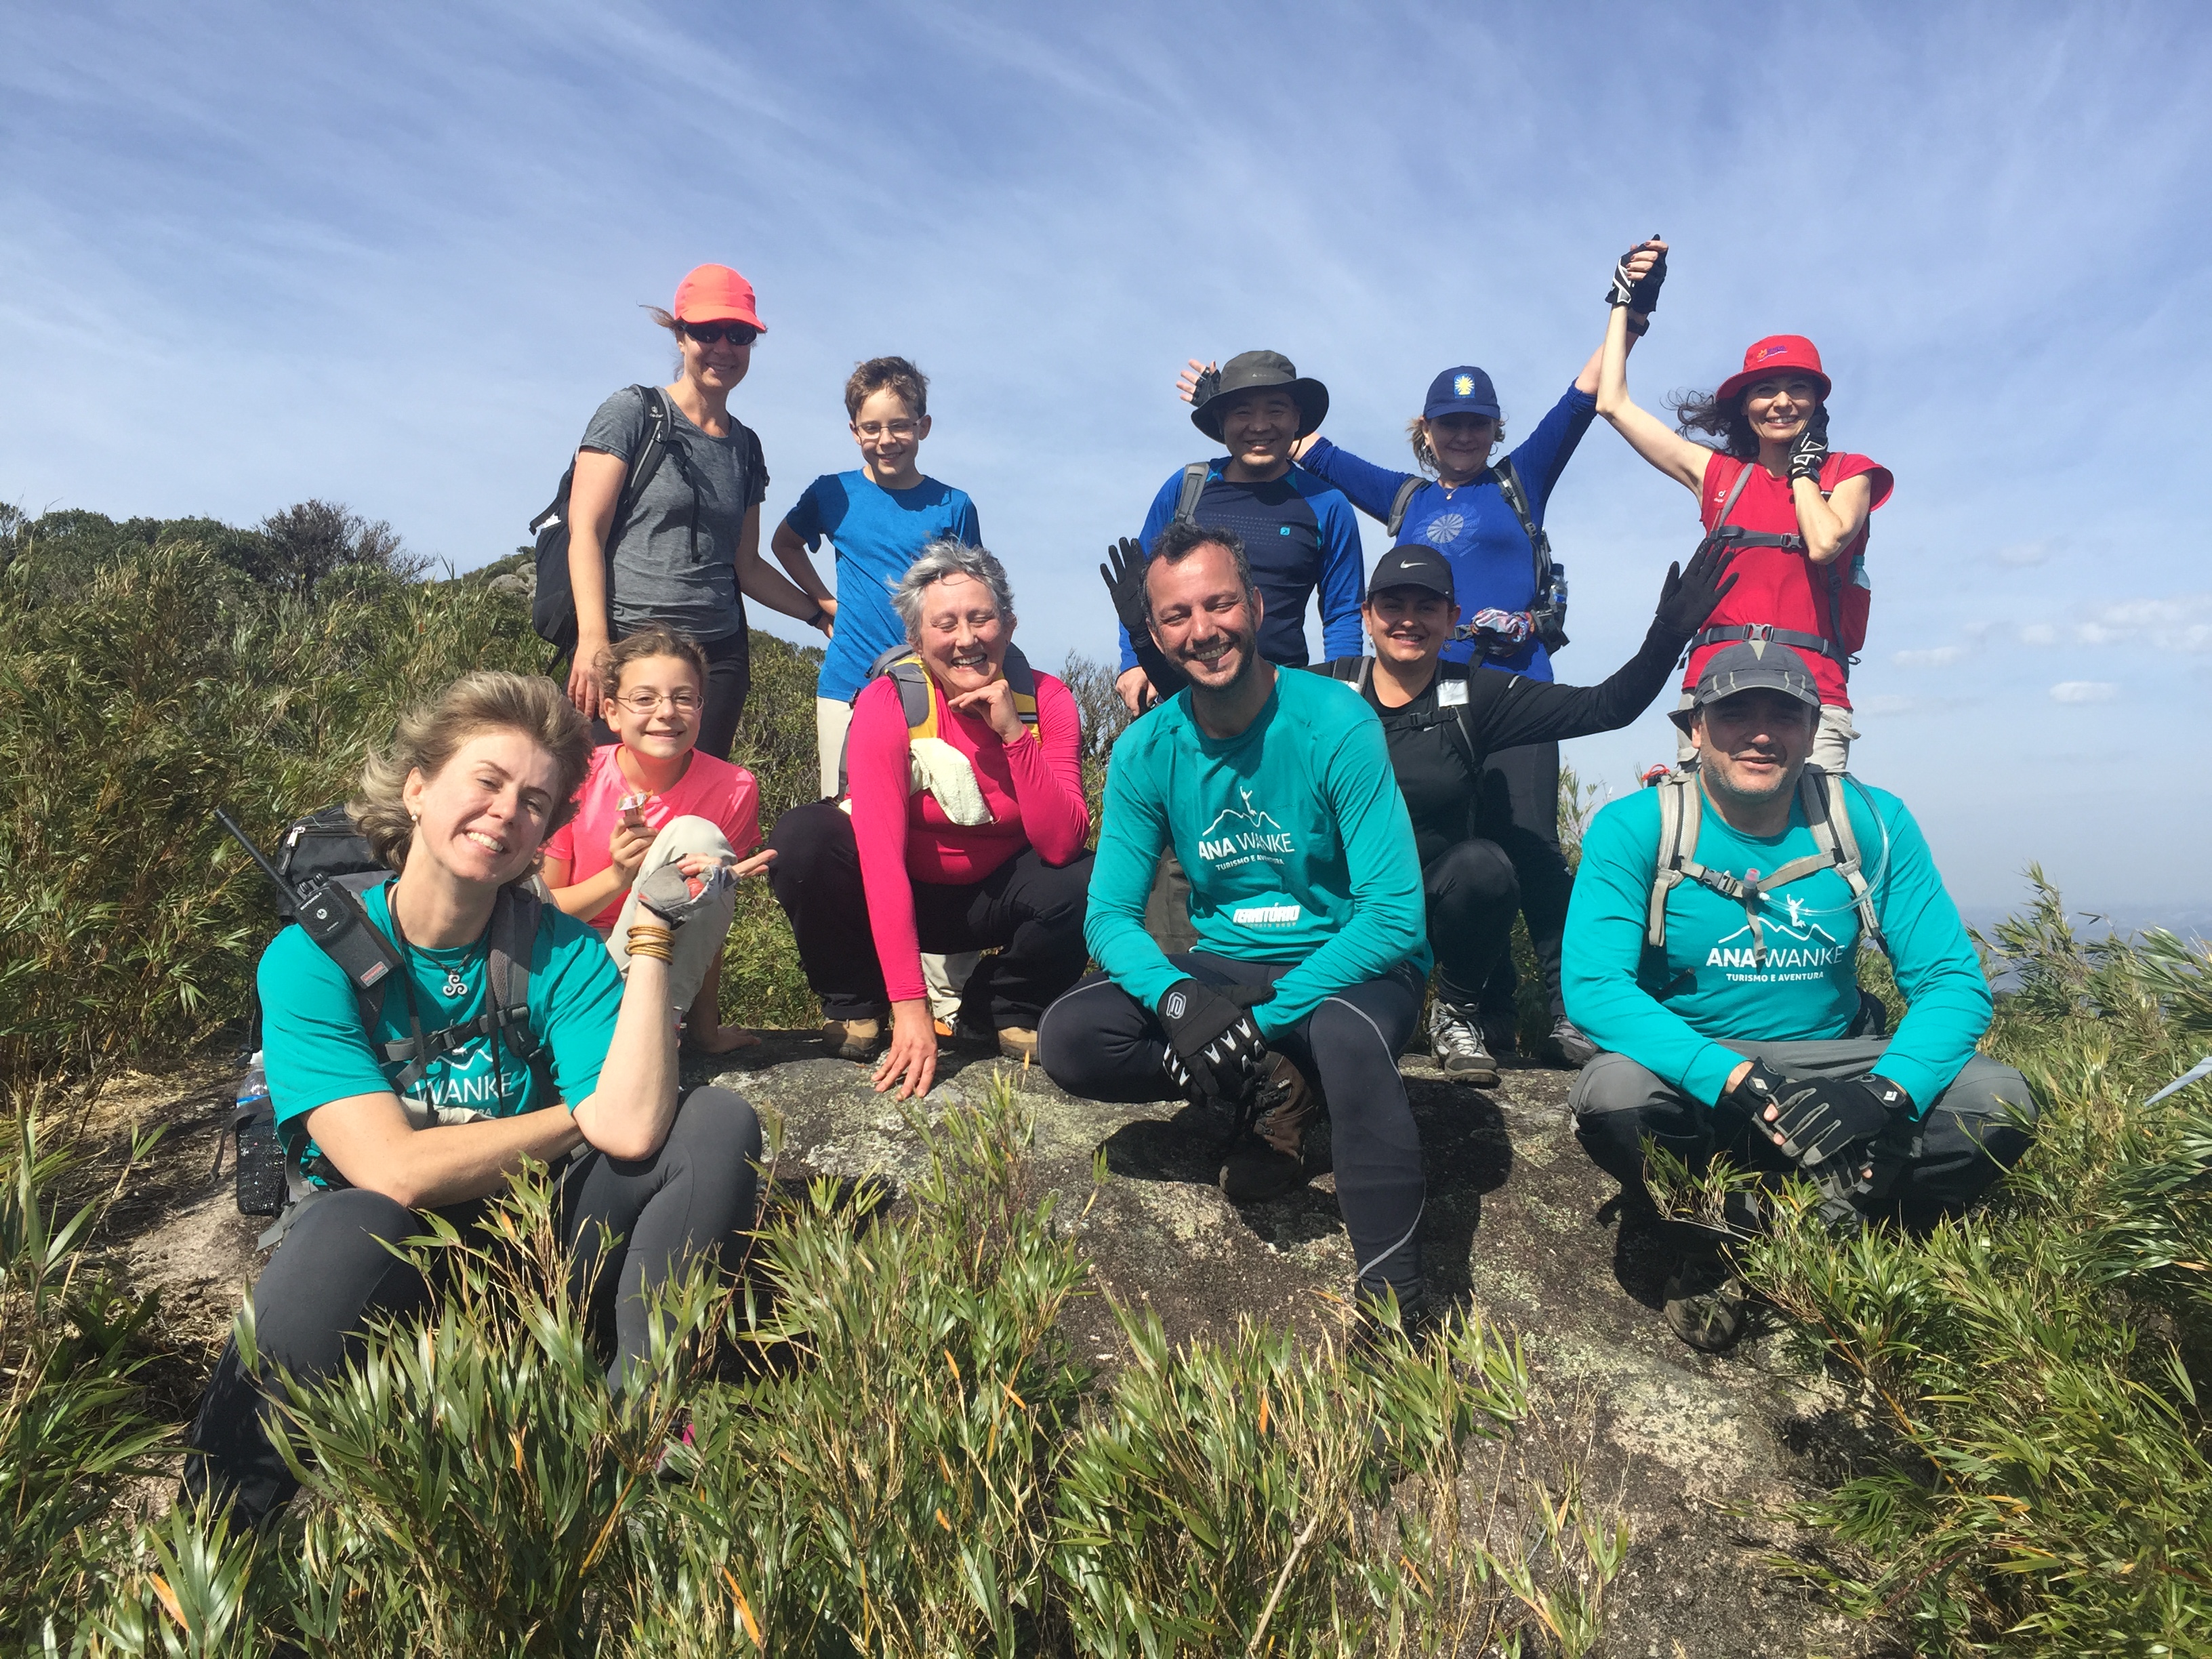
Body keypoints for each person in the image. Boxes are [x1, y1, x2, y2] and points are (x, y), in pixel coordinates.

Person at [183, 672, 764, 1525]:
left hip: (540, 1257)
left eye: (534, 802)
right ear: (418, 789)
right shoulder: (311, 959)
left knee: (714, 1122)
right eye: (486, 781)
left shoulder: (561, 952)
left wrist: (650, 933)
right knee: (352, 1221)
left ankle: (637, 1435)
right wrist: (576, 1115)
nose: (506, 813)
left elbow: (636, 1126)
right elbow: (393, 1169)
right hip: (393, 1276)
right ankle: (217, 1537)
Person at [1169, 241, 1666, 1065]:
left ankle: (1568, 1011)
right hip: (1430, 698)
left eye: (1477, 423)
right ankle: (1476, 1010)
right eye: (1449, 423)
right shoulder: (1400, 496)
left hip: (1513, 688)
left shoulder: (1520, 481)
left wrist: (1630, 311)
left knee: (1529, 851)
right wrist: (1231, 399)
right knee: (1446, 851)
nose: (1463, 435)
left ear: (1494, 430)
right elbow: (1294, 442)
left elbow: (1583, 398)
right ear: (1426, 432)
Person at [1562, 642, 2036, 1351]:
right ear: (1695, 729)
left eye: (1784, 715)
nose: (1761, 734)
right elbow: (1595, 989)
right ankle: (1716, 1238)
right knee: (1614, 1097)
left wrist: (1881, 1094)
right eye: (1735, 714)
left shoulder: (1869, 822)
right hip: (1701, 1063)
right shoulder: (1638, 827)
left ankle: (1843, 1217)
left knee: (1998, 1099)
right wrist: (1737, 1079)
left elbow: (1951, 982)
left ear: (1814, 731)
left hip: (1838, 1059)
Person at [1040, 521, 1433, 1328]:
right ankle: (1270, 1085)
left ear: (1255, 607)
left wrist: (1258, 1024)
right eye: (1177, 615)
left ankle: (1398, 1312)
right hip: (1229, 960)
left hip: (1351, 961)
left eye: (1219, 604)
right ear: (1155, 635)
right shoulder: (1148, 749)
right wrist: (1180, 1001)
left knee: (1348, 1038)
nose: (1203, 629)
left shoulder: (1335, 721)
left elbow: (1394, 915)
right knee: (1071, 1037)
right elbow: (1109, 917)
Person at [1316, 537, 1738, 1083]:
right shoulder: (1322, 690)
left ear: (1453, 618)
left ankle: (1457, 1012)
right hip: (1342, 906)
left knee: (1486, 867)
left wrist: (1669, 633)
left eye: (1427, 607)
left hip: (1433, 906)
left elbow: (1606, 706)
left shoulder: (1473, 695)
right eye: (1392, 606)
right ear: (1367, 616)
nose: (1409, 621)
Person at [767, 541, 1092, 1094]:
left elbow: (1061, 845)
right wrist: (911, 1006)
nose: (966, 639)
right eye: (945, 625)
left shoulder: (1048, 700)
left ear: (1009, 625)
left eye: (981, 619)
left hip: (991, 899)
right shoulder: (887, 701)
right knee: (803, 839)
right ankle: (857, 1003)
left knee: (1086, 876)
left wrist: (1014, 734)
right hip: (902, 888)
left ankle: (1004, 1007)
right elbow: (880, 857)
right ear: (917, 642)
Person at [1594, 240, 1893, 773]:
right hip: (1716, 689)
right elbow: (1612, 403)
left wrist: (1804, 470)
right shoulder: (1720, 476)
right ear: (1745, 405)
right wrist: (1626, 306)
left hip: (1813, 696)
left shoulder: (1851, 473)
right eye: (1766, 390)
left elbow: (1824, 542)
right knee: (1702, 829)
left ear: (1817, 403)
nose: (1782, 402)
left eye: (1797, 388)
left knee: (1817, 828)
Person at [766, 356, 985, 1032]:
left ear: (923, 426)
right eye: (871, 427)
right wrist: (821, 605)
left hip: (930, 688)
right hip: (849, 687)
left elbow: (970, 588)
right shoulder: (831, 494)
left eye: (899, 425)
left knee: (940, 825)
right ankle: (866, 993)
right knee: (850, 833)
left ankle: (945, 1000)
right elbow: (784, 543)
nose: (886, 439)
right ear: (854, 430)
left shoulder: (953, 505)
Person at [561, 262, 834, 760]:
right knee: (603, 793)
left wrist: (818, 613)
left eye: (739, 334)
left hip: (715, 660)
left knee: (697, 798)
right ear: (680, 335)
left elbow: (745, 565)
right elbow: (586, 533)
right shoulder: (633, 412)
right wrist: (593, 639)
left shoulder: (746, 447)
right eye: (708, 331)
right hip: (625, 646)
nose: (724, 347)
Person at [539, 628, 775, 1055]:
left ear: (701, 709)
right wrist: (617, 877)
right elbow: (542, 912)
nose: (667, 712)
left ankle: (658, 1027)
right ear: (611, 713)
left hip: (666, 961)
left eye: (684, 698)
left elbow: (708, 925)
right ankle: (629, 1034)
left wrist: (707, 1031)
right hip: (574, 958)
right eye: (645, 699)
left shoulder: (733, 788)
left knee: (700, 841)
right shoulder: (576, 775)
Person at [1112, 350, 1364, 716]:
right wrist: (1134, 661)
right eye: (1242, 412)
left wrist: (1343, 692)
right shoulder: (1187, 487)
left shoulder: (1327, 504)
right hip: (1182, 696)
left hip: (1284, 702)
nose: (1259, 426)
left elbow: (1342, 612)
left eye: (1276, 410)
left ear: (1297, 419)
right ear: (1221, 420)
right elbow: (1139, 584)